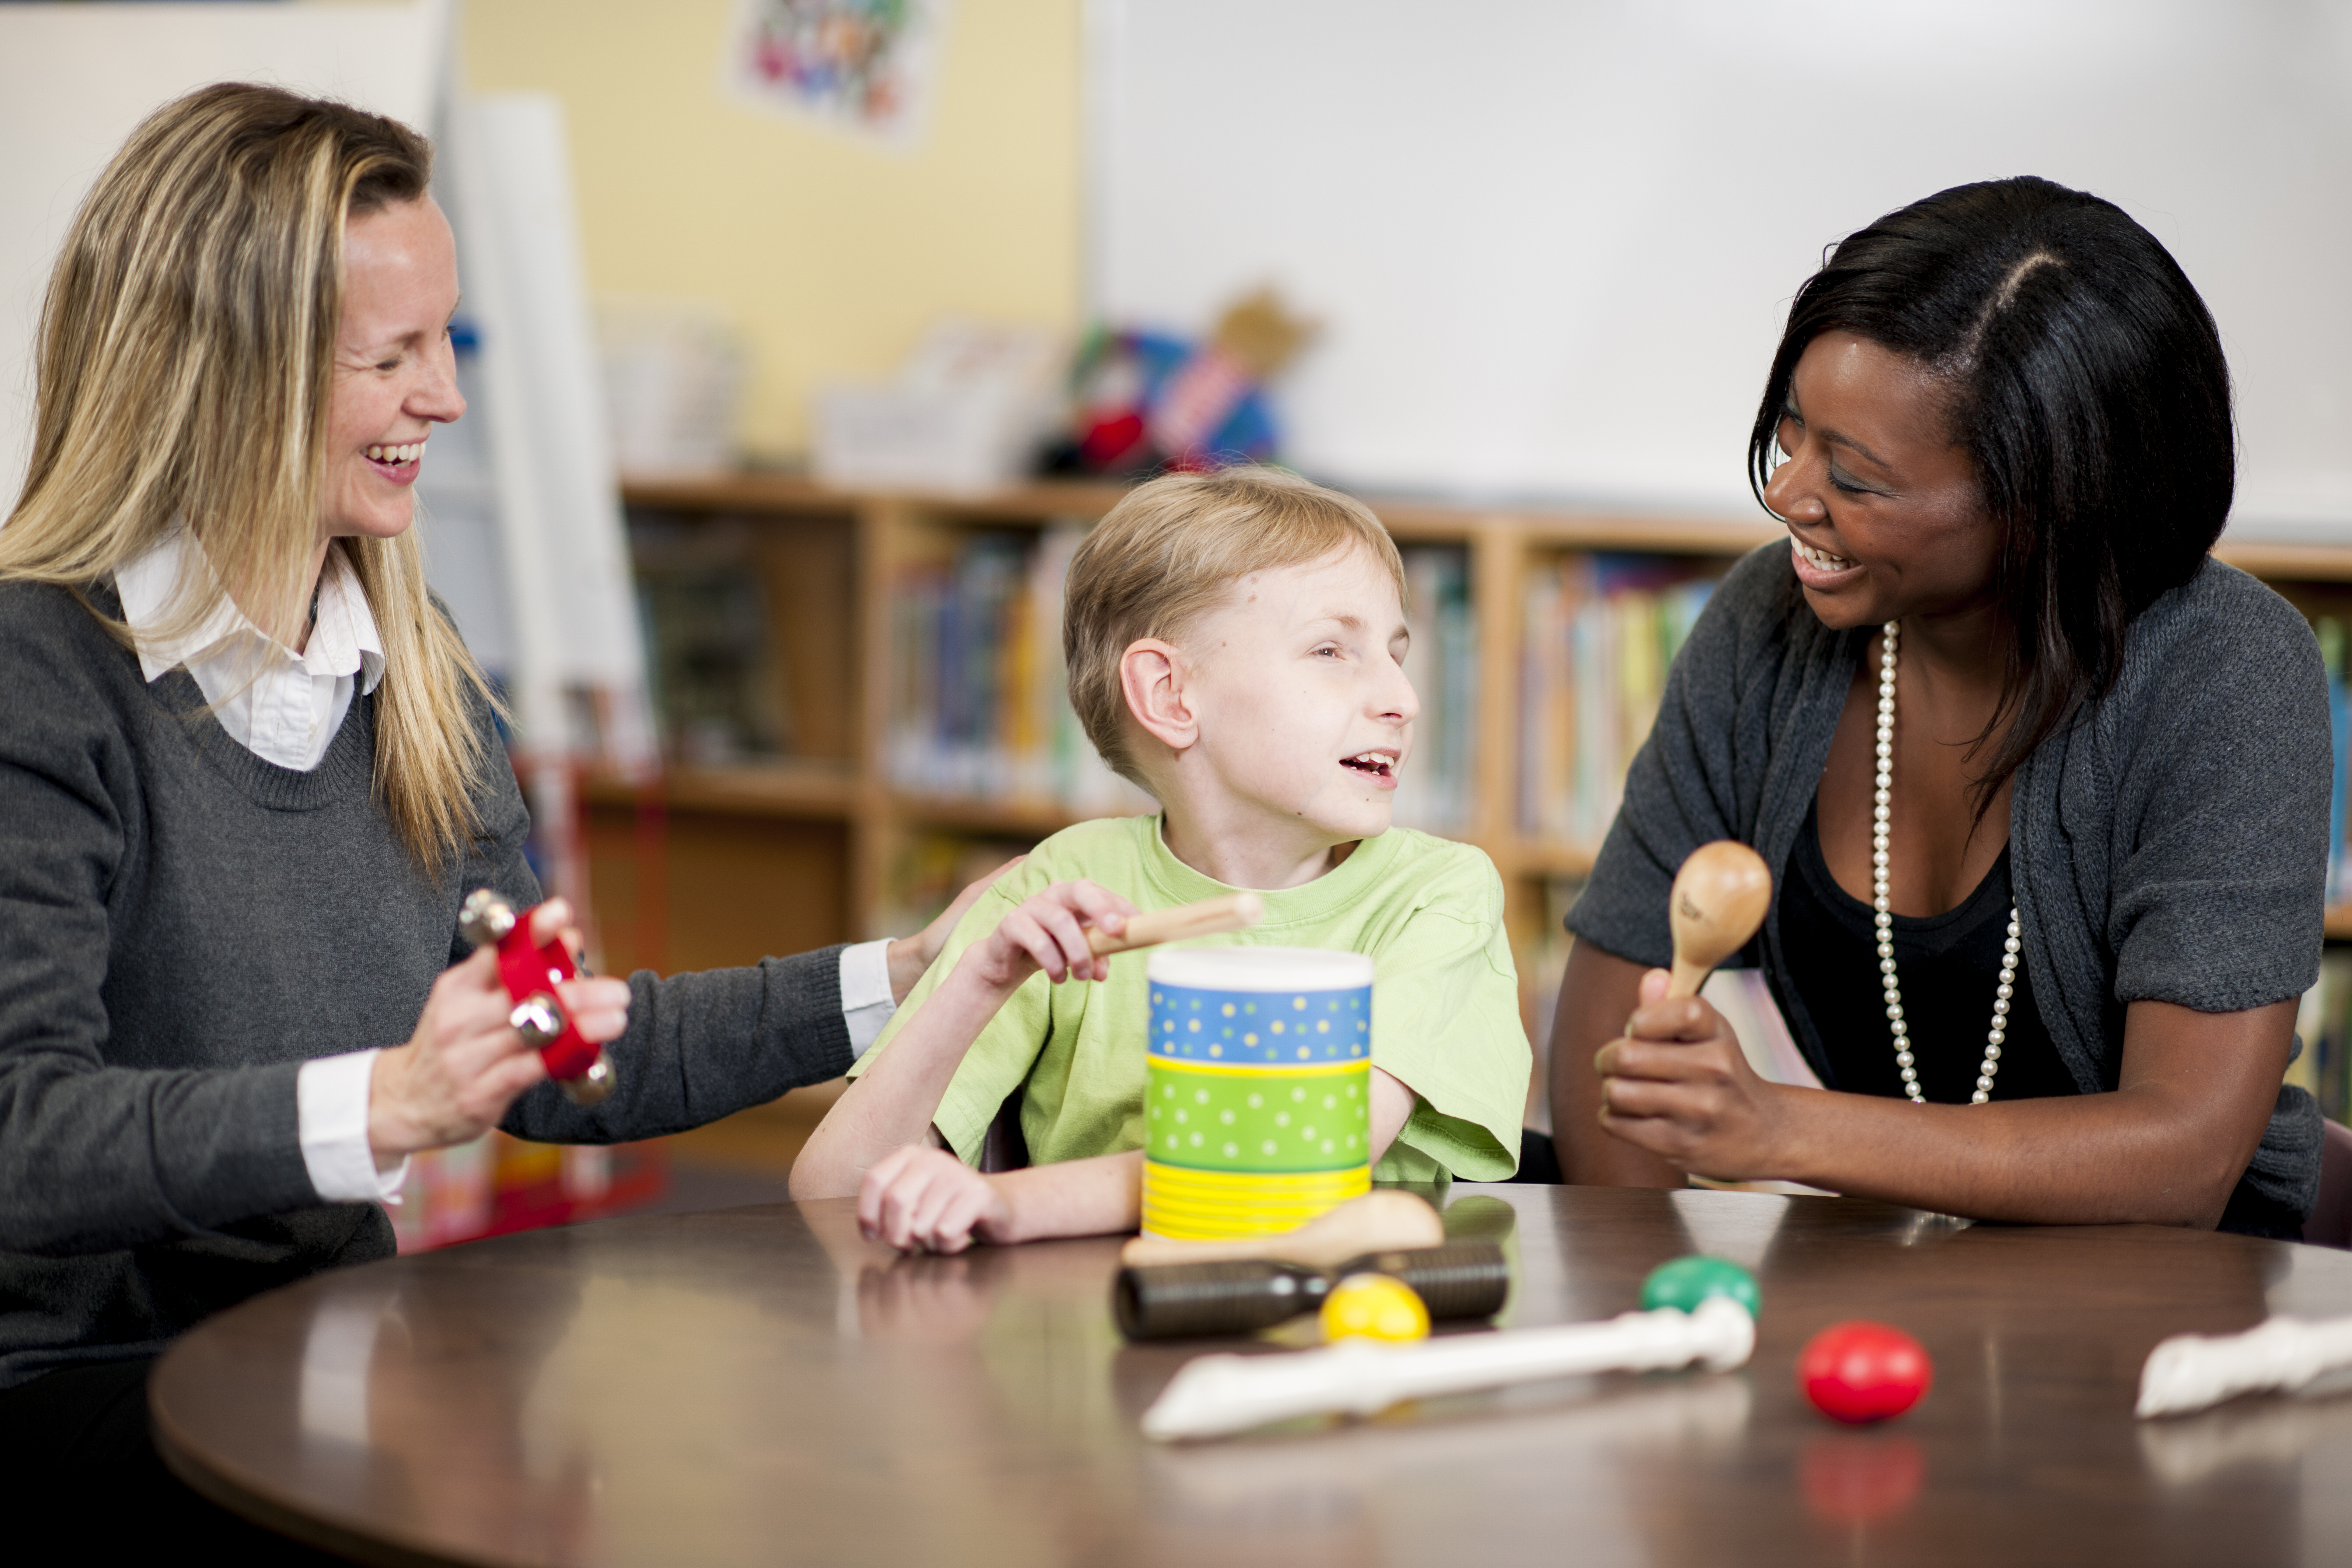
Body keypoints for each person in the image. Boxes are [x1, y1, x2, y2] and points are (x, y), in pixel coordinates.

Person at [0, 84, 976, 1550]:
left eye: (445, 341)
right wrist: (388, 1101)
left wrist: (907, 974)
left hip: (328, 1351)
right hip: (78, 1388)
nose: (445, 398)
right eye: (389, 356)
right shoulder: (43, 678)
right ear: (226, 374)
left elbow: (558, 1054)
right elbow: (26, 1137)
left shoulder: (417, 668)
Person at [1546, 176, 2326, 1236]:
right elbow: (1614, 1055)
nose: (1787, 495)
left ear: (2046, 507)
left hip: (2189, 1302)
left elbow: (2181, 1158)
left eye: (1858, 479)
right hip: (1900, 1279)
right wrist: (1669, 1323)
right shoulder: (1765, 625)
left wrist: (1779, 1131)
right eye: (1792, 432)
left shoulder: (2223, 670)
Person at [792, 467, 1529, 1251]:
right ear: (1172, 695)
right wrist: (977, 980)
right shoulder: (1063, 885)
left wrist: (1011, 1203)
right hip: (1094, 1343)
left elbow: (1285, 1165)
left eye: (1395, 653)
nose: (1403, 699)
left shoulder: (1441, 894)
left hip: (1333, 1342)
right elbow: (833, 1193)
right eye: (1331, 649)